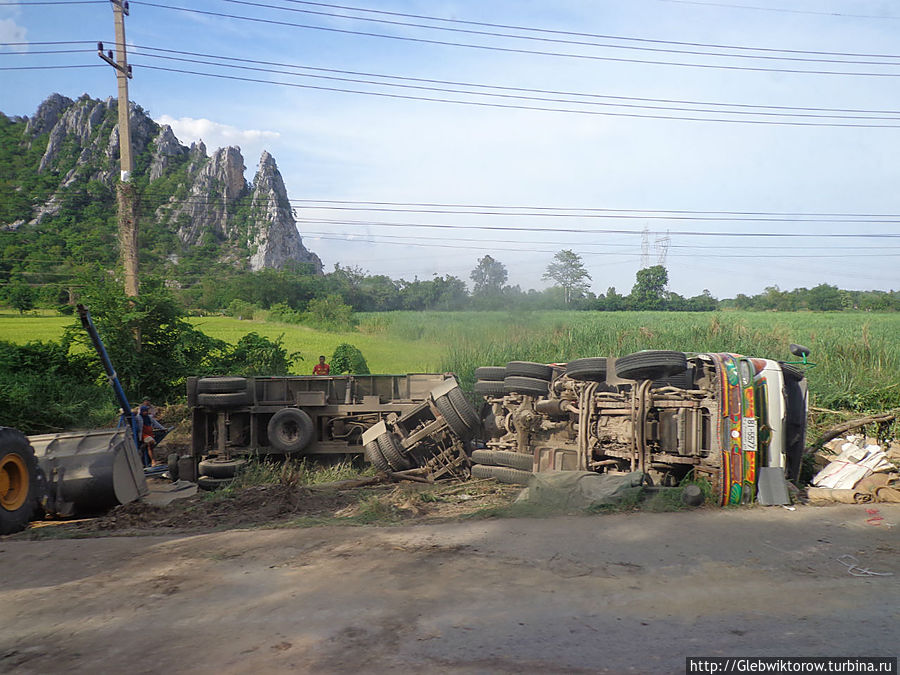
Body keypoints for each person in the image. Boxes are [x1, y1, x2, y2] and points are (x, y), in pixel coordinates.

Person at [138, 398, 161, 466]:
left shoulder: (149, 417)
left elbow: (156, 423)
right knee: (151, 442)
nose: (146, 412)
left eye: (146, 411)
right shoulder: (139, 418)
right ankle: (153, 461)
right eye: (144, 411)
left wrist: (163, 428)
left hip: (149, 434)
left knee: (151, 447)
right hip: (144, 435)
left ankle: (152, 461)